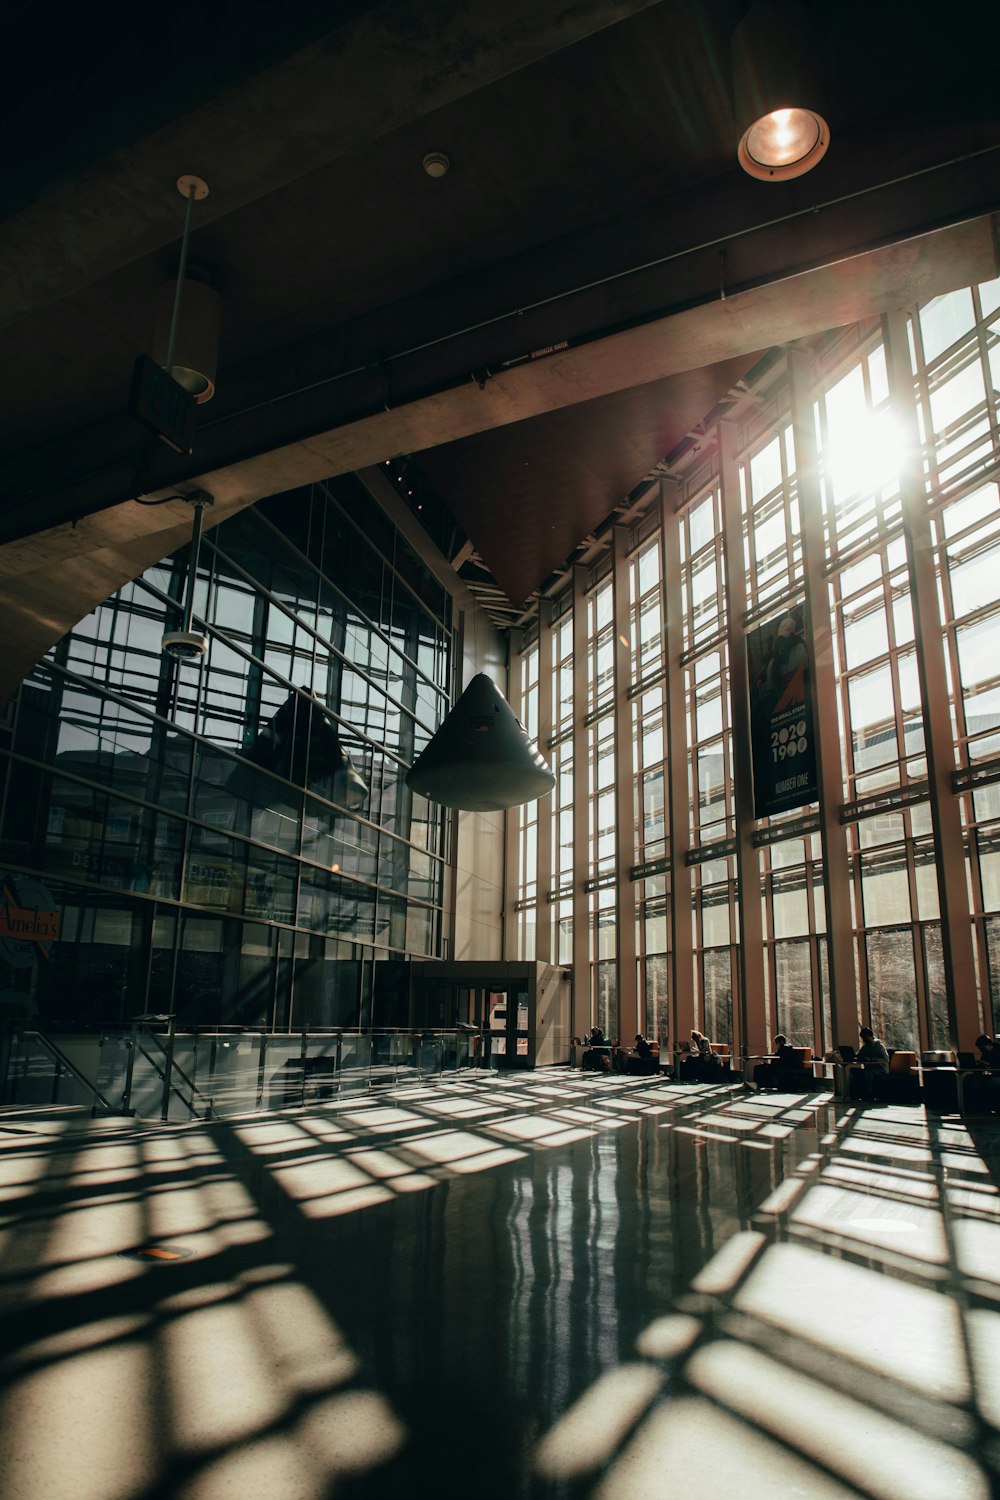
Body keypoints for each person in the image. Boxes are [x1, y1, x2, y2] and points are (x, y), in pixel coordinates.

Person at [854, 1025, 890, 1101]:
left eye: (865, 1038)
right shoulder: (865, 1047)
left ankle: (870, 1091)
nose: (864, 1040)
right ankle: (858, 1094)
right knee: (855, 1071)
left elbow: (885, 1060)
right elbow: (860, 1055)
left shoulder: (880, 1047)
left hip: (881, 1070)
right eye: (863, 1038)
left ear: (870, 1036)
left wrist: (871, 1059)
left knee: (869, 1072)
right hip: (870, 1068)